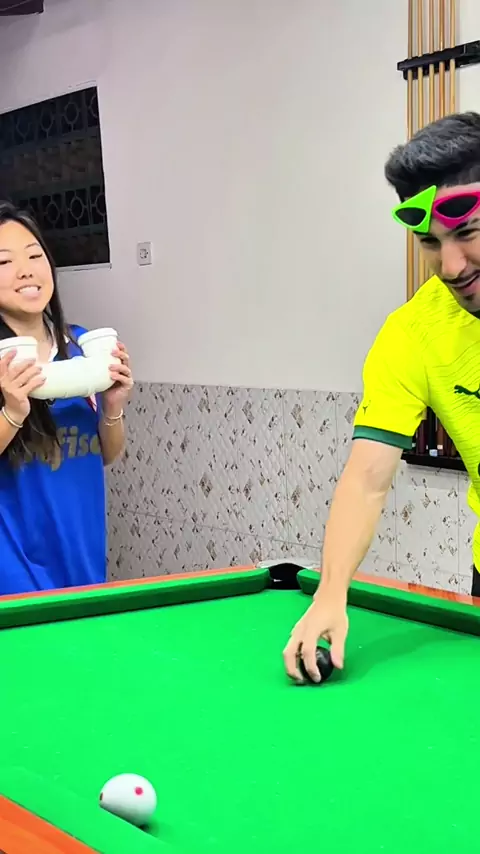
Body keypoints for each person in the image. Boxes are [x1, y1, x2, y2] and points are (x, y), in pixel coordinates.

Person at [283, 110, 480, 682]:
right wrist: (330, 593)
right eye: (430, 242)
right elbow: (367, 479)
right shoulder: (413, 334)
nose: (451, 266)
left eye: (468, 233)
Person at [0, 202, 133, 594]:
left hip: (82, 557)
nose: (26, 270)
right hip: (13, 571)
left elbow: (104, 454)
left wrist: (113, 407)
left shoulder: (82, 346)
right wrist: (13, 411)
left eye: (34, 256)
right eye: (4, 262)